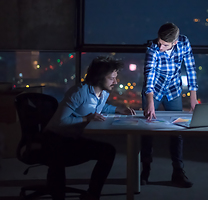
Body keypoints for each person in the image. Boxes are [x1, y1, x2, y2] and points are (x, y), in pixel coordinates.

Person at [44, 56, 135, 200]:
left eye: (116, 78)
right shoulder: (79, 92)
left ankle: (92, 195)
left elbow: (99, 107)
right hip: (54, 138)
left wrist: (117, 109)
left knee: (108, 151)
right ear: (99, 77)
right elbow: (59, 122)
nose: (115, 82)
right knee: (60, 157)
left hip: (73, 137)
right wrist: (86, 119)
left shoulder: (103, 92)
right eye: (112, 78)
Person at [141, 22, 198, 188]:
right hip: (154, 91)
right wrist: (150, 102)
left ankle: (178, 171)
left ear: (175, 42)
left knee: (177, 130)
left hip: (173, 90)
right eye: (159, 42)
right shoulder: (152, 48)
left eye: (164, 45)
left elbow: (191, 68)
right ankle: (145, 170)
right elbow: (149, 75)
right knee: (146, 129)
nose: (160, 47)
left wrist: (193, 97)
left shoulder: (184, 43)